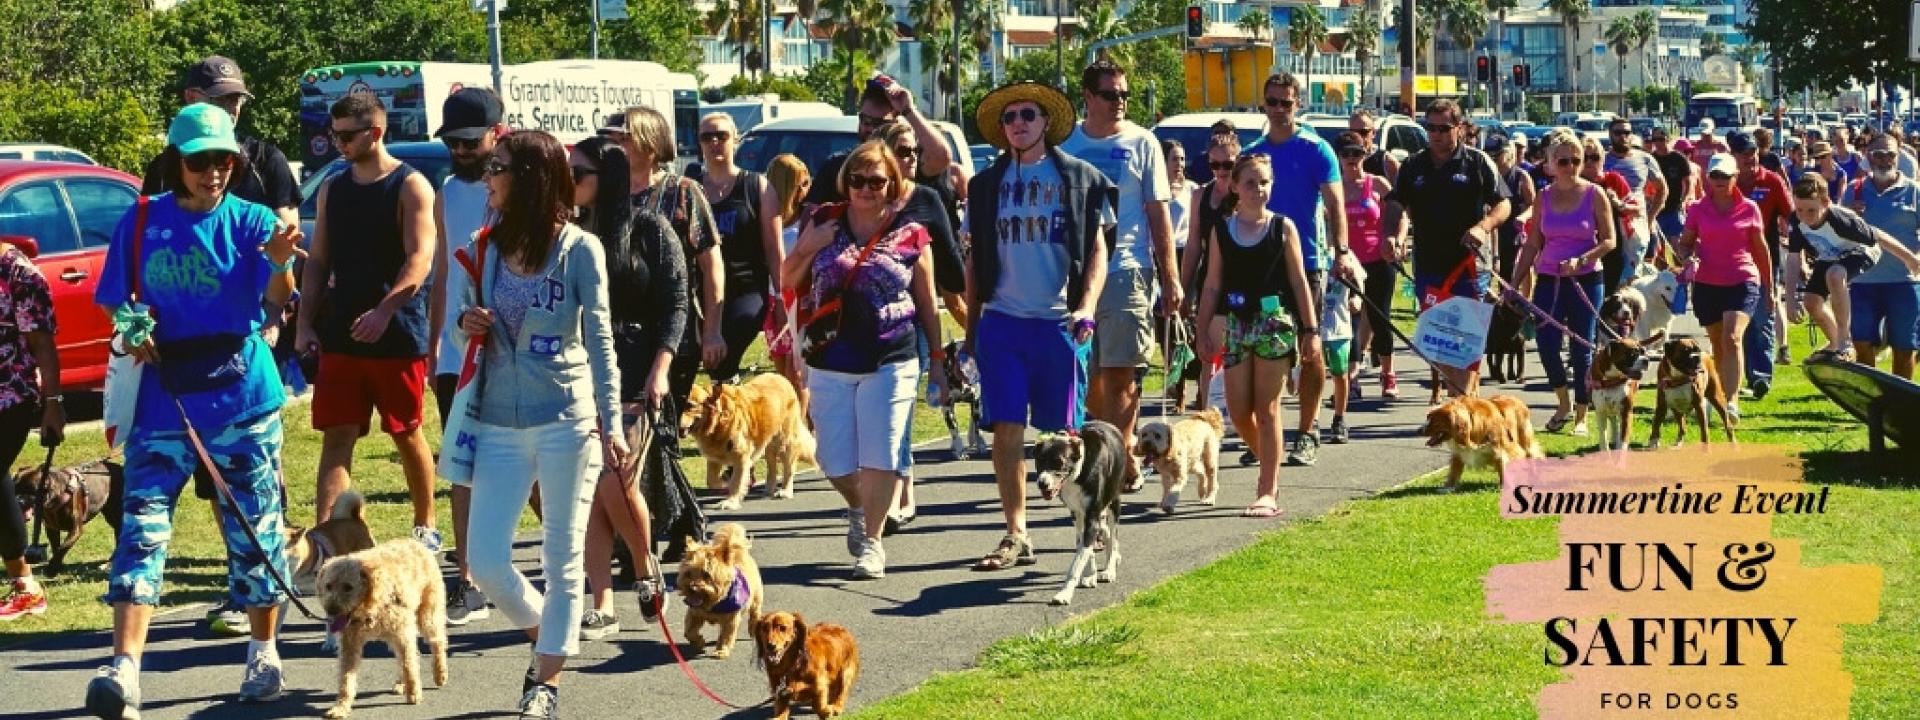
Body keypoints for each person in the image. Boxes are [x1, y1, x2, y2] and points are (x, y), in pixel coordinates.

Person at [87, 103, 305, 716]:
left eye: (223, 160)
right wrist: (133, 327)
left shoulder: (252, 219)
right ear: (175, 164)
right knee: (142, 529)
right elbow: (116, 301)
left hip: (242, 398)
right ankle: (123, 669)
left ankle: (263, 655)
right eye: (199, 161)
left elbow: (274, 303)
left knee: (254, 529)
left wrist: (283, 261)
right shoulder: (138, 223)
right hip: (164, 402)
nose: (213, 172)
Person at [456, 130, 629, 719]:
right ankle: (549, 639)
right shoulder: (483, 247)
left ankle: (545, 684)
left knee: (562, 559)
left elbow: (601, 342)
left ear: (529, 177)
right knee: (483, 561)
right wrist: (468, 322)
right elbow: (463, 332)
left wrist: (613, 420)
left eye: (498, 167)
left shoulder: (581, 249)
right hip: (499, 422)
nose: (489, 178)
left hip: (567, 419)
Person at [139, 53, 300, 639]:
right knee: (210, 478)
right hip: (179, 365)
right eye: (220, 98)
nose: (232, 107)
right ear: (189, 100)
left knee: (255, 482)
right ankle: (239, 580)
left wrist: (277, 308)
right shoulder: (163, 172)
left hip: (250, 338)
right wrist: (138, 321)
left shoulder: (264, 161)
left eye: (236, 100)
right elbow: (149, 256)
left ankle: (256, 589)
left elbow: (283, 237)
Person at [965, 81, 1111, 572]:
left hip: (1059, 326)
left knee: (1065, 433)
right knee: (1006, 427)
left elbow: (1096, 250)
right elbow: (974, 261)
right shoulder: (984, 186)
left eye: (1028, 114)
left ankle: (1087, 525)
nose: (1019, 123)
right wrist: (971, 329)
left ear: (1046, 122)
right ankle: (1016, 532)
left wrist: (1087, 305)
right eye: (1009, 117)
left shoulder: (1081, 179)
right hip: (1002, 321)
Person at [784, 140, 947, 580]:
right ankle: (859, 505)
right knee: (832, 459)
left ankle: (873, 543)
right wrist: (807, 246)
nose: (866, 189)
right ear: (846, 182)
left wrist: (936, 358)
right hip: (829, 357)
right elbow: (786, 278)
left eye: (877, 181)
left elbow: (927, 300)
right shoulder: (824, 221)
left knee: (885, 450)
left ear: (892, 182)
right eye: (858, 180)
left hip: (892, 355)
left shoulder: (912, 231)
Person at [295, 94, 440, 549]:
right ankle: (327, 537)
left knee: (406, 431)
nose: (337, 144)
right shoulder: (332, 188)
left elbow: (420, 261)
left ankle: (426, 524)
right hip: (342, 332)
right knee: (336, 434)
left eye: (346, 136)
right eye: (333, 135)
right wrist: (304, 323)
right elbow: (317, 261)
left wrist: (385, 311)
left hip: (395, 334)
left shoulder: (411, 185)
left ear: (374, 133)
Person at [570, 136, 685, 640]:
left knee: (616, 481)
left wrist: (661, 368)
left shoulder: (650, 229)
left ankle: (645, 567)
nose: (569, 183)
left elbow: (677, 303)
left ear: (607, 179)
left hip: (635, 370)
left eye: (579, 174)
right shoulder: (570, 234)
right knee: (591, 489)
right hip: (579, 373)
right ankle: (601, 602)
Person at [1059, 60, 1180, 485]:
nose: (1120, 102)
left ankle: (1117, 465)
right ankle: (1115, 447)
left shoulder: (1143, 142)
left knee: (1121, 372)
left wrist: (1171, 276)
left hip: (1128, 268)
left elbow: (1158, 214)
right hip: (1073, 274)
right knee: (1086, 376)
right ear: (1088, 97)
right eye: (1110, 94)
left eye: (1124, 94)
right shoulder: (1064, 143)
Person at [1242, 72, 1357, 467]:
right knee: (1263, 348)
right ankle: (1264, 432)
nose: (1278, 110)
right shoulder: (1254, 152)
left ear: (1298, 105)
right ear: (1264, 104)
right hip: (1262, 265)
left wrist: (1341, 251)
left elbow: (1335, 205)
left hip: (1307, 263)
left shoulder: (1316, 149)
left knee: (1310, 347)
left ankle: (1308, 431)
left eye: (1286, 103)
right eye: (1272, 102)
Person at [1195, 155, 1319, 516]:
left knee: (1267, 409)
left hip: (1273, 324)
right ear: (1234, 186)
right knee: (1237, 411)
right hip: (1236, 324)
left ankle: (1268, 488)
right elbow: (1212, 283)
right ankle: (1271, 459)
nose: (1258, 189)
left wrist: (1310, 331)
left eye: (1264, 182)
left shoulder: (1283, 228)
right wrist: (1202, 330)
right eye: (1250, 183)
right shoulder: (1221, 230)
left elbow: (1298, 281)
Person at [428, 87, 505, 627]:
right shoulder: (447, 191)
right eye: (451, 141)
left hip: (514, 352)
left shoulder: (522, 187)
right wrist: (435, 348)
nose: (459, 150)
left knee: (529, 467)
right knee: (461, 462)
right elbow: (440, 275)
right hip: (457, 354)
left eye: (468, 141)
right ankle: (467, 580)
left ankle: (568, 564)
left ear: (496, 134)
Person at [1381, 99, 1511, 401]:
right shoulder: (1414, 165)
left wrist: (1484, 226)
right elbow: (1396, 202)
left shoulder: (1477, 162)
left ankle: (1460, 407)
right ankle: (1464, 402)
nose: (1436, 134)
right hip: (1428, 266)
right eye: (1431, 128)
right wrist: (1391, 235)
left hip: (1468, 266)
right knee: (1438, 345)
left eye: (1444, 128)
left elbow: (1504, 202)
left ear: (1460, 129)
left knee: (1463, 343)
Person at [871, 120, 964, 527]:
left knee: (899, 408)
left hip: (913, 322)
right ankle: (884, 487)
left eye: (915, 152)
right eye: (904, 152)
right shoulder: (865, 200)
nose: (912, 159)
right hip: (864, 324)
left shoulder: (927, 198)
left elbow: (951, 265)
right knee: (872, 414)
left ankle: (902, 489)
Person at [616, 106, 723, 405]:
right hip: (623, 331)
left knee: (664, 424)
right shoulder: (609, 193)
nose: (618, 146)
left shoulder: (683, 192)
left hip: (675, 328)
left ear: (649, 143)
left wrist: (712, 331)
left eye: (625, 138)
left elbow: (711, 265)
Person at [1512, 130, 1615, 438]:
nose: (1570, 167)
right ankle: (1563, 403)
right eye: (1563, 161)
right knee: (1546, 344)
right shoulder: (1543, 197)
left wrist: (1583, 259)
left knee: (1582, 348)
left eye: (1576, 161)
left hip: (1586, 278)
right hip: (1549, 277)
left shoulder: (1595, 194)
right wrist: (1515, 281)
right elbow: (1532, 244)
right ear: (1550, 164)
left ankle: (1582, 414)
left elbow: (1609, 240)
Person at [1676, 153, 1774, 419]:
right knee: (1718, 343)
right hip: (1707, 282)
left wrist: (1770, 288)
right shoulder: (1697, 208)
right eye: (1714, 175)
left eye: (1725, 176)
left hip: (1742, 279)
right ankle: (1718, 395)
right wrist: (1689, 258)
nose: (1719, 181)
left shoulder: (1749, 208)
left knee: (1732, 337)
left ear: (1735, 178)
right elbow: (1684, 243)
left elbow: (1761, 250)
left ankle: (1732, 402)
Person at [1786, 172, 1920, 361]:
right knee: (1811, 301)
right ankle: (1834, 343)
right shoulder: (1796, 221)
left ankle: (1845, 343)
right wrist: (1790, 298)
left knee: (1835, 274)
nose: (1805, 217)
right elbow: (1792, 259)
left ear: (1825, 203)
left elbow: (1878, 236)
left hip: (1863, 251)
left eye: (1811, 211)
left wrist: (1909, 259)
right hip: (1831, 255)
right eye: (1799, 209)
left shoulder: (1840, 220)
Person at [0, 237, 65, 623]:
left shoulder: (18, 272)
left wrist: (53, 405)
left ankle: (25, 585)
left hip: (11, 395)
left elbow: (43, 345)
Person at [695, 113, 782, 384]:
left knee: (722, 356)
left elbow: (773, 248)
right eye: (707, 137)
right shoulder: (692, 188)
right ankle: (724, 402)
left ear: (736, 140)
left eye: (721, 136)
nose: (714, 143)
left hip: (745, 289)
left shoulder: (756, 186)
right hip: (699, 290)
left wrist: (781, 297)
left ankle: (727, 397)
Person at [1840, 132, 1920, 379]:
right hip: (1863, 282)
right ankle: (1871, 402)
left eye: (1891, 155)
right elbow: (1838, 236)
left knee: (1905, 347)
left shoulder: (1914, 191)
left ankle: (1899, 404)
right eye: (1879, 154)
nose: (1885, 160)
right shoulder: (1854, 191)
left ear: (1899, 157)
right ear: (1868, 157)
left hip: (1904, 281)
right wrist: (1848, 217)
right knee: (1862, 343)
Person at [1336, 131, 1402, 401]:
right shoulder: (1333, 187)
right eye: (1347, 154)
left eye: (1358, 153)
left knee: (1380, 317)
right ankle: (1351, 377)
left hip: (1378, 260)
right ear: (1339, 157)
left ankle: (1387, 374)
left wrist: (1395, 239)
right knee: (1348, 321)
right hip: (1347, 262)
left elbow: (1400, 212)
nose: (1353, 160)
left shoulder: (1377, 184)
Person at [1728, 130, 1794, 395]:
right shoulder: (1725, 182)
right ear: (1733, 155)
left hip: (1764, 258)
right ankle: (1741, 373)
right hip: (1729, 260)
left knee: (1762, 316)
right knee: (1735, 319)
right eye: (1743, 153)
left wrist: (1801, 245)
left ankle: (1760, 376)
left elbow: (1791, 215)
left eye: (1753, 152)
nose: (1750, 158)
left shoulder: (1772, 181)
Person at [1181, 133, 1242, 412]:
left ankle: (1239, 413)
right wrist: (1183, 289)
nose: (1220, 172)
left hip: (1240, 277)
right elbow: (1194, 245)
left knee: (1238, 353)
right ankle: (1207, 416)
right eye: (1214, 165)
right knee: (1208, 352)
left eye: (1227, 166)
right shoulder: (1200, 195)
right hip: (1210, 278)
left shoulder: (1245, 194)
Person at [764, 155, 813, 413]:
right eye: (800, 184)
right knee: (781, 370)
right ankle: (789, 422)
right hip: (773, 299)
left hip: (797, 299)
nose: (806, 189)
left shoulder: (807, 220)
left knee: (797, 371)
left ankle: (802, 424)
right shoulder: (769, 220)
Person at [1160, 139, 1202, 410]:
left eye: (1182, 159)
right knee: (1167, 326)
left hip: (1187, 256)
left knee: (1192, 323)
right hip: (1163, 255)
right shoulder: (1156, 191)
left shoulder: (1193, 190)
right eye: (1174, 159)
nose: (1180, 165)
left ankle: (1200, 385)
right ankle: (1177, 385)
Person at [1604, 118, 1667, 287]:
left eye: (1627, 133)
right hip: (1608, 223)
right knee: (1611, 275)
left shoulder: (1645, 159)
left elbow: (1662, 189)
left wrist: (1650, 218)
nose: (1623, 137)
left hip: (1636, 224)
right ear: (1610, 135)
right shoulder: (1601, 160)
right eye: (1618, 133)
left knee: (1634, 277)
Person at [1579, 137, 1634, 291]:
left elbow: (1636, 210)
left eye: (1595, 157)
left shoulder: (1613, 179)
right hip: (1581, 249)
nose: (1589, 162)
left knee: (1610, 297)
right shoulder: (1572, 184)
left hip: (1611, 249)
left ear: (1602, 159)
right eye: (1585, 157)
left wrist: (1618, 203)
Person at [1650, 126, 1696, 250]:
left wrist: (1684, 200)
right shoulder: (1650, 159)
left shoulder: (1678, 158)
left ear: (1668, 139)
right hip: (1657, 209)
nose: (1658, 143)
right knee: (1658, 247)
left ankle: (1680, 268)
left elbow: (1688, 181)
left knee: (1677, 243)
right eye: (1655, 140)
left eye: (1661, 139)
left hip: (1674, 208)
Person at [1350, 108, 1401, 184]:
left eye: (1363, 132)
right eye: (1354, 132)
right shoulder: (1341, 159)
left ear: (1373, 133)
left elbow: (1401, 193)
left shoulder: (1386, 162)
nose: (1359, 137)